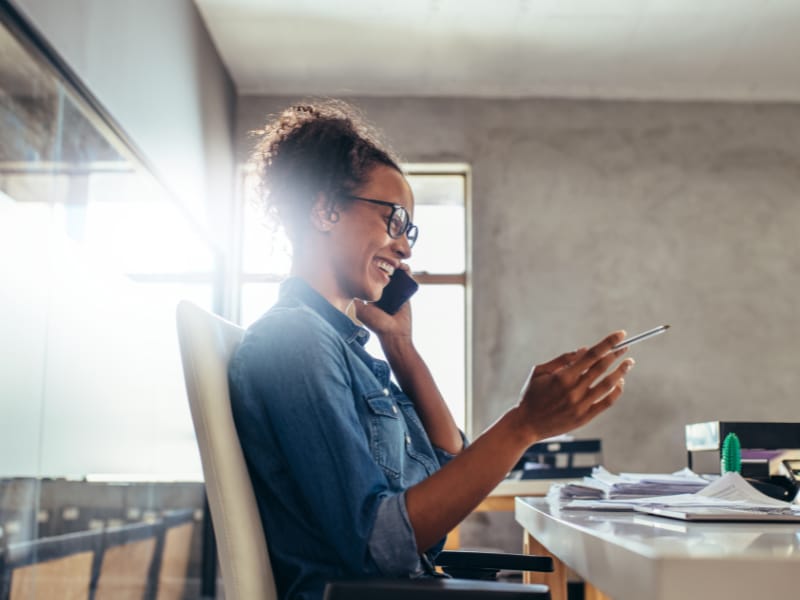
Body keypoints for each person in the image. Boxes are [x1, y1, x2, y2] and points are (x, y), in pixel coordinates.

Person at [228, 100, 634, 600]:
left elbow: (447, 470)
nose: (405, 248)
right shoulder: (294, 342)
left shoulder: (347, 349)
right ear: (325, 209)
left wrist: (402, 348)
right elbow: (380, 545)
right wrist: (523, 425)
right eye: (394, 221)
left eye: (408, 231)